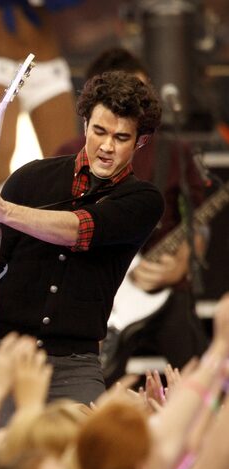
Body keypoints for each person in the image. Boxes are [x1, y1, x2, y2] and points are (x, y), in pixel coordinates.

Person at [0, 70, 164, 407]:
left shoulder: (143, 200)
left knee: (81, 455)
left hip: (75, 362)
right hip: (6, 350)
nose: (107, 146)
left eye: (121, 137)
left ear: (140, 141)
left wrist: (6, 211)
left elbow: (79, 229)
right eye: (99, 131)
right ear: (84, 124)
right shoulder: (31, 178)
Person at [55, 47, 209, 384]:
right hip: (99, 290)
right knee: (91, 380)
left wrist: (184, 259)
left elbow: (198, 219)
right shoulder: (69, 153)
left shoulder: (174, 151)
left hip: (165, 287)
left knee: (202, 376)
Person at [0, 0, 82, 186]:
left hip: (48, 72)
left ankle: (47, 213)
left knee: (63, 165)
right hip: (2, 69)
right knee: (1, 151)